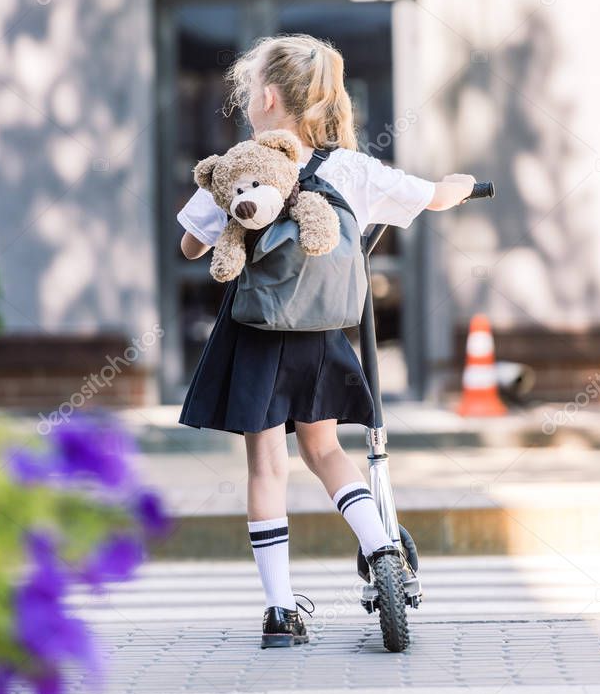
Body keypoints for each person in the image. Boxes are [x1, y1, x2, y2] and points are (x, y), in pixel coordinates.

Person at [177, 33, 474, 648]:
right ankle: (381, 544)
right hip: (322, 338)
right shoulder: (352, 169)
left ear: (263, 99)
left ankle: (282, 611)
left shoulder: (242, 167)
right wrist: (461, 185)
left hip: (256, 339)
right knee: (326, 451)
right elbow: (433, 197)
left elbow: (190, 245)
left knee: (266, 465)